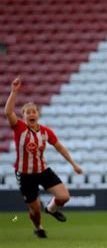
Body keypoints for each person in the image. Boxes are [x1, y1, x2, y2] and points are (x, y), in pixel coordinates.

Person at [4, 77, 83, 238]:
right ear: (23, 115)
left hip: (42, 170)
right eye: (28, 112)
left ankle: (51, 209)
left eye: (34, 111)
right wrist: (14, 92)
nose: (31, 114)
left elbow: (59, 147)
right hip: (25, 174)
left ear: (38, 114)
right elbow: (8, 112)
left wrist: (73, 164)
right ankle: (38, 226)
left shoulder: (46, 131)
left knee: (64, 196)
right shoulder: (19, 128)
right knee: (34, 209)